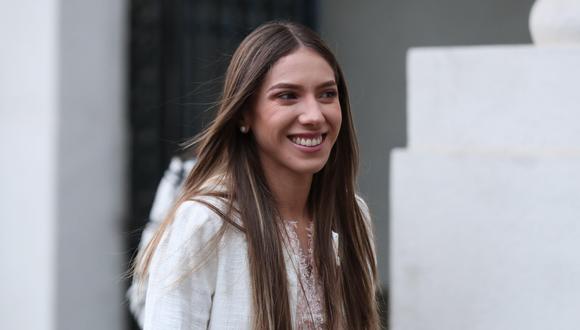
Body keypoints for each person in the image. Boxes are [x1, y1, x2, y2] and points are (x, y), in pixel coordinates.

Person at [132, 21, 380, 329]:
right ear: (244, 114)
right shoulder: (205, 222)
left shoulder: (352, 216)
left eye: (327, 94)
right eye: (288, 96)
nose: (314, 115)